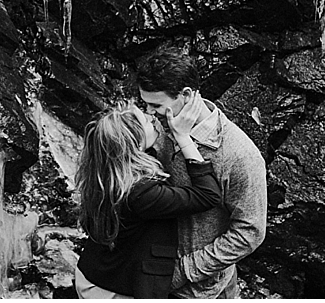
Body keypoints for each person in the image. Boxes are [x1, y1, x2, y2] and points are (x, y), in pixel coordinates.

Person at [137, 49, 268, 299]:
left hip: (200, 290)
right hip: (149, 271)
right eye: (145, 104)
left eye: (156, 105)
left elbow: (250, 232)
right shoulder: (158, 128)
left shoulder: (238, 154)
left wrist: (184, 270)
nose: (149, 112)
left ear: (186, 95)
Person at [74, 97, 224, 298]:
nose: (151, 117)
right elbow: (208, 195)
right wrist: (183, 137)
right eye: (145, 122)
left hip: (96, 271)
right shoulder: (140, 193)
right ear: (135, 144)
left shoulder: (107, 170)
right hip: (109, 290)